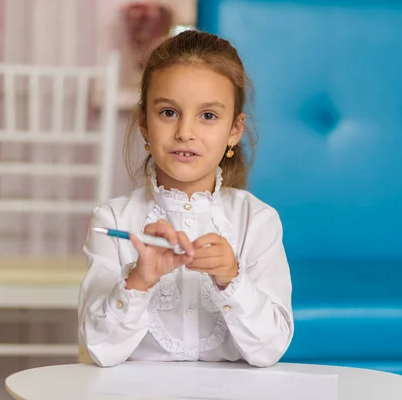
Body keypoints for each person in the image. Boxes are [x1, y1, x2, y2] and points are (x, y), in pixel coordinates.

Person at [78, 30, 294, 368]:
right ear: (145, 124)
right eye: (168, 112)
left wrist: (233, 280)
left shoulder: (258, 221)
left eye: (208, 115)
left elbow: (270, 350)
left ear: (234, 131)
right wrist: (139, 280)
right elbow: (100, 349)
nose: (185, 132)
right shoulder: (113, 220)